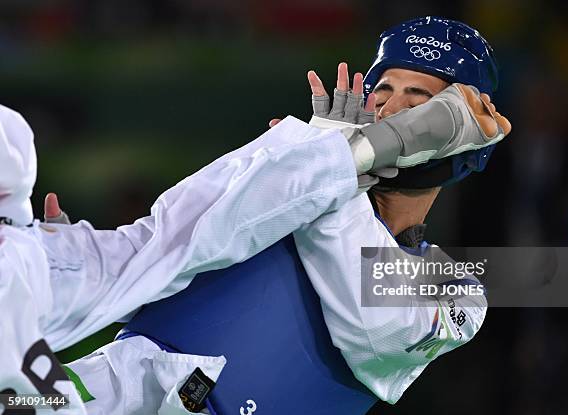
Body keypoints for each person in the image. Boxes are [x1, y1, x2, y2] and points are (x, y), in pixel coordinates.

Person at [0, 23, 508, 413]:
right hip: (110, 388)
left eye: (418, 105)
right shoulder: (291, 179)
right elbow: (170, 251)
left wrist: (330, 170)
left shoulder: (453, 287)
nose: (390, 111)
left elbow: (380, 333)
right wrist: (74, 278)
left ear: (461, 143)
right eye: (383, 92)